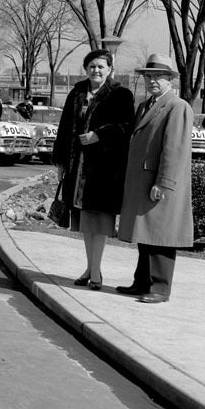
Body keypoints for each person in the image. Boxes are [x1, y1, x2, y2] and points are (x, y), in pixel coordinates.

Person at [52, 49, 134, 291]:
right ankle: (90, 268)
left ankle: (96, 271)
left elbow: (127, 127)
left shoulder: (120, 94)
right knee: (86, 225)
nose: (96, 70)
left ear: (110, 69)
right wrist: (61, 163)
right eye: (92, 66)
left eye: (101, 66)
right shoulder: (77, 91)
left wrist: (100, 135)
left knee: (98, 223)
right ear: (85, 68)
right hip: (78, 169)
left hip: (104, 172)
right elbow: (64, 128)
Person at [117, 54, 193, 304]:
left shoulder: (177, 106)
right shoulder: (146, 105)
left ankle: (160, 288)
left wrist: (164, 182)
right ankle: (142, 282)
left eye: (158, 76)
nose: (152, 80)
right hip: (143, 181)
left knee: (160, 236)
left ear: (170, 79)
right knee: (145, 234)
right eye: (148, 76)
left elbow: (175, 150)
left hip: (159, 183)